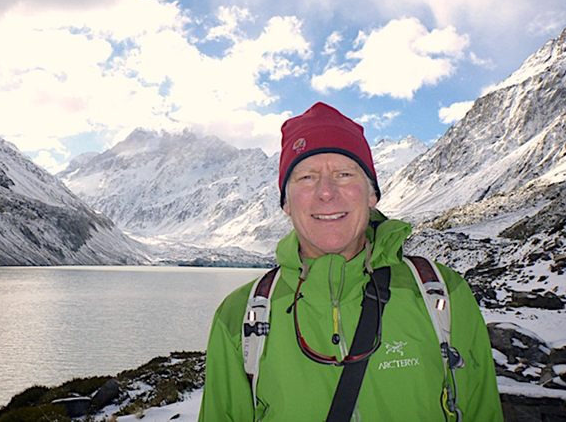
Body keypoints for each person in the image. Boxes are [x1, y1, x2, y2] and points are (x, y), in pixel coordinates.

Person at [198, 102, 503, 421]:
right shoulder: (238, 318)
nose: (326, 193)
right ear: (285, 202)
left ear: (372, 194)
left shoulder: (442, 294)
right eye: (306, 177)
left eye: (344, 174)